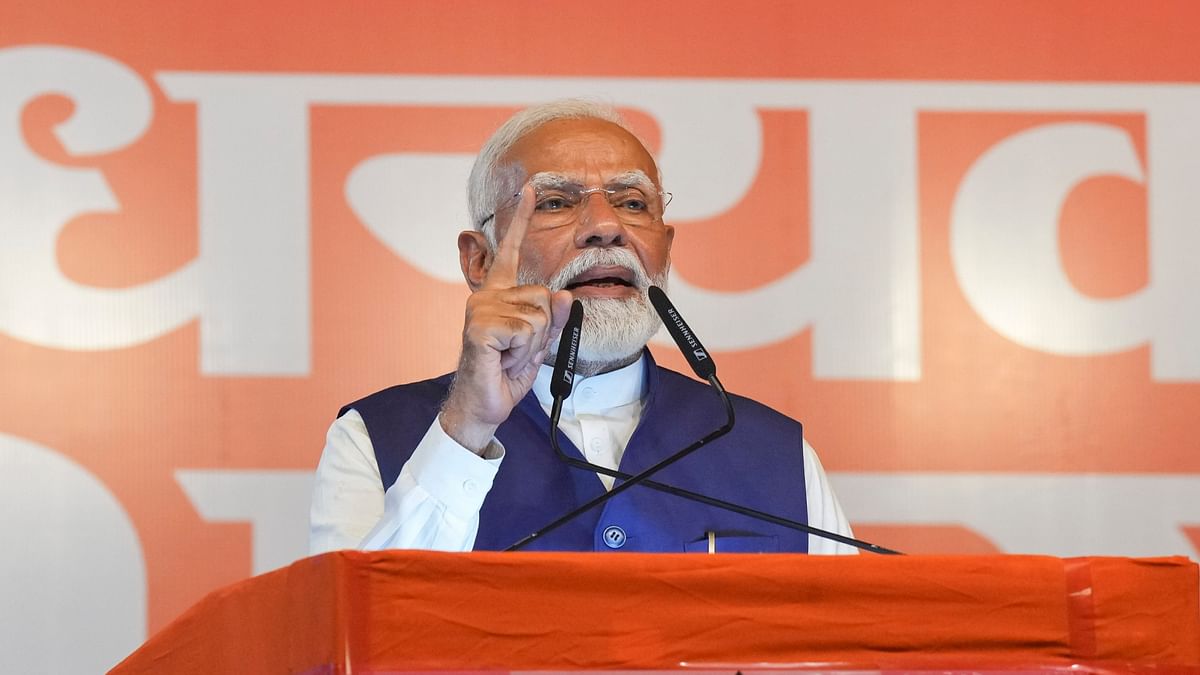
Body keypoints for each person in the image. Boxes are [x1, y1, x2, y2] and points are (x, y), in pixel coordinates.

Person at [309, 100, 856, 554]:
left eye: (632, 202)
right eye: (555, 202)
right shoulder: (372, 437)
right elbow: (365, 635)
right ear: (479, 261)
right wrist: (466, 430)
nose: (606, 227)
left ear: (665, 250)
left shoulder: (777, 452)